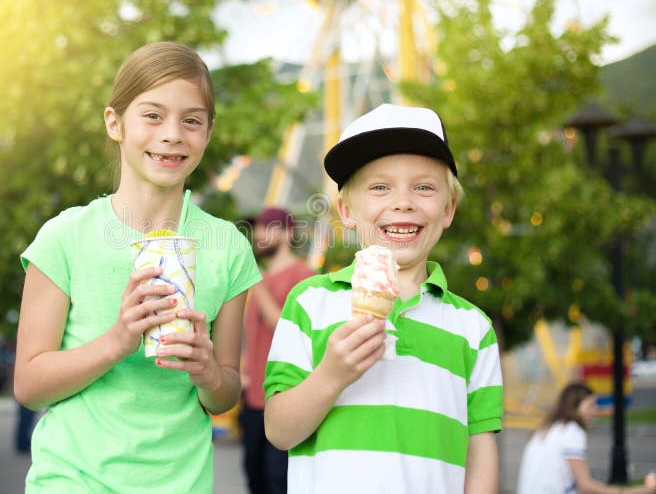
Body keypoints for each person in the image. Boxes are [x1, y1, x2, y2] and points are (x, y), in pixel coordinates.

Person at [14, 41, 261, 493]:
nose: (172, 134)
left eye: (192, 120)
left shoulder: (228, 246)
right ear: (115, 123)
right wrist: (117, 341)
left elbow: (224, 394)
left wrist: (208, 372)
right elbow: (30, 386)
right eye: (152, 115)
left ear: (208, 132)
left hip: (181, 482)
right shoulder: (64, 236)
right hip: (72, 479)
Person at [263, 103, 504, 493]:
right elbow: (279, 431)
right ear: (346, 210)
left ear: (448, 209)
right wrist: (331, 376)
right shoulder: (310, 302)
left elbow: (480, 452)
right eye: (379, 187)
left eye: (423, 187)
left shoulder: (473, 327)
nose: (403, 201)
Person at [241, 207, 315, 494]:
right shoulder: (261, 278)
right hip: (253, 395)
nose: (258, 235)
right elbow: (253, 335)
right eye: (257, 227)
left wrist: (256, 282)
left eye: (265, 227)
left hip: (285, 394)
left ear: (287, 233)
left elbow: (282, 325)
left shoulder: (303, 275)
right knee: (253, 473)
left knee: (278, 479)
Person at [517, 382, 656, 494]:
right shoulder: (573, 432)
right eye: (591, 405)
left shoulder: (547, 429)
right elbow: (585, 485)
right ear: (574, 406)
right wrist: (628, 491)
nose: (594, 411)